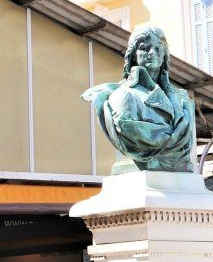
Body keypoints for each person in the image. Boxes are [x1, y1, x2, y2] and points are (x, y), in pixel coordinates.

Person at [82, 26, 196, 173]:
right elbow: (131, 132)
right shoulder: (123, 96)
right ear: (133, 54)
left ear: (165, 54)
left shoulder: (181, 99)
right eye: (144, 48)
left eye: (157, 48)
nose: (152, 53)